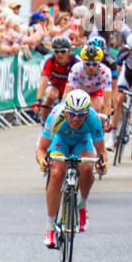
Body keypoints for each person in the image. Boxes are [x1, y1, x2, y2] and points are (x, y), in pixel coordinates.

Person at [35, 89, 106, 245]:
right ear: (65, 110)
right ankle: (50, 226)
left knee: (87, 167)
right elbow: (41, 149)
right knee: (57, 172)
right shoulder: (55, 116)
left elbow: (101, 152)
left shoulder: (94, 119)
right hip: (61, 140)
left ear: (87, 113)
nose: (75, 118)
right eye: (72, 114)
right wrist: (42, 161)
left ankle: (82, 205)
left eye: (81, 115)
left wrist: (102, 164)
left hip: (83, 140)